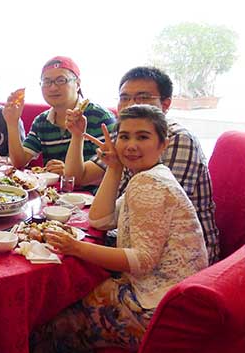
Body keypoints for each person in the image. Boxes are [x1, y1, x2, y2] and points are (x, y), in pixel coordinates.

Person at [31, 105, 207, 353]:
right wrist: (113, 167)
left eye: (143, 137)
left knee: (53, 320)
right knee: (77, 295)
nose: (131, 145)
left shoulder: (150, 184)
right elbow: (100, 219)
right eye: (124, 136)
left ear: (163, 144)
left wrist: (75, 248)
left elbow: (142, 260)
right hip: (172, 298)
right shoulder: (150, 176)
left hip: (159, 311)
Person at [64, 66, 219, 264]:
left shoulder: (177, 140)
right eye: (125, 98)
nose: (131, 104)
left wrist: (79, 248)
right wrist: (78, 136)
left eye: (143, 97)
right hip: (135, 243)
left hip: (183, 263)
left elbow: (148, 242)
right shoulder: (127, 134)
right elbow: (79, 180)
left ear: (165, 104)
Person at [5, 56, 115, 175]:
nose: (53, 88)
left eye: (61, 80)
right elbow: (19, 162)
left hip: (91, 187)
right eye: (47, 82)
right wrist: (12, 123)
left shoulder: (100, 117)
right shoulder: (41, 121)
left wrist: (68, 171)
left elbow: (110, 167)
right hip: (52, 187)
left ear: (77, 84)